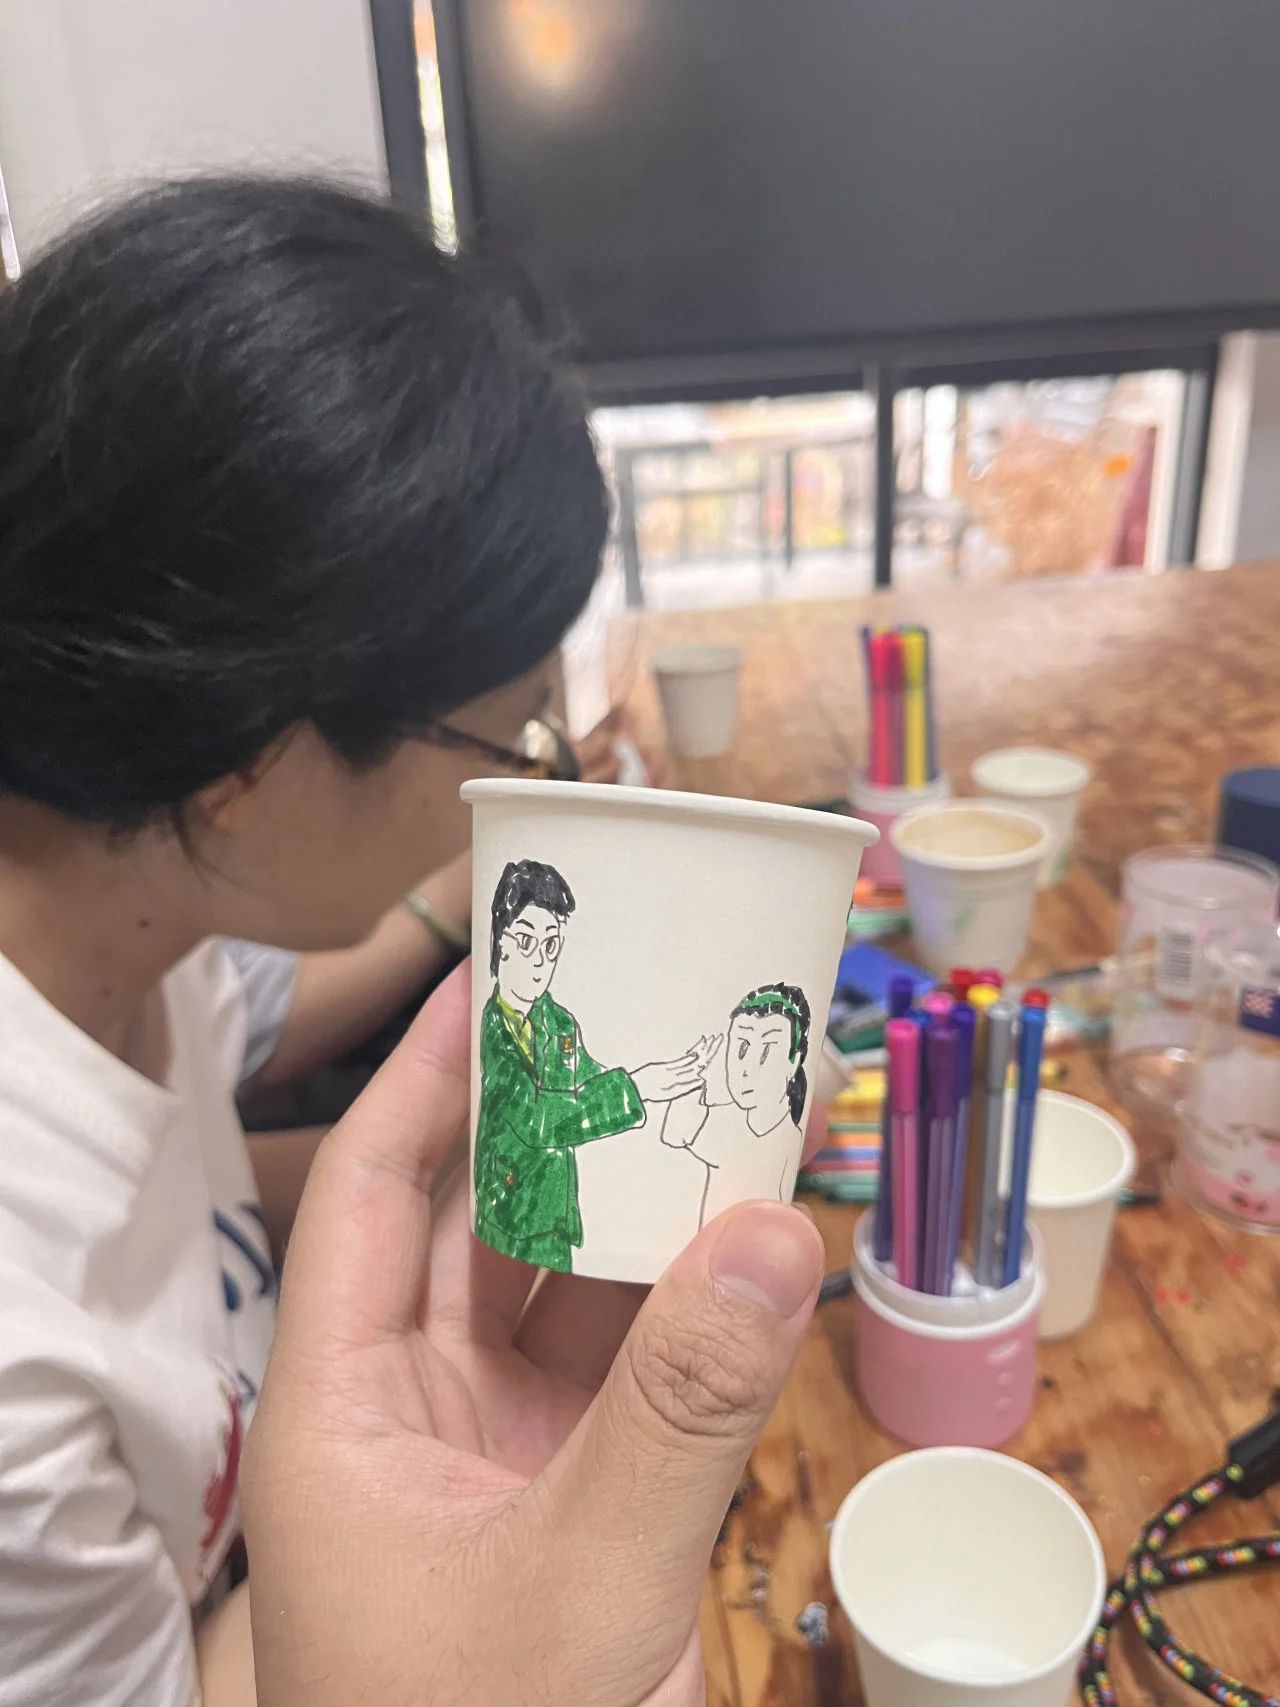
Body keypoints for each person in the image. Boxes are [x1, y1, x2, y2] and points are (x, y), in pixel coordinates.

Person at [0, 174, 825, 1707]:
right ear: (252, 758)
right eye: (510, 742)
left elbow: (203, 1137)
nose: (516, 787)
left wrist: (544, 1141)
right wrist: (466, 1556)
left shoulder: (125, 913)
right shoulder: (17, 1392)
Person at [475, 859, 706, 1270]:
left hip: (554, 1211)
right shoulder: (495, 1031)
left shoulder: (558, 1022)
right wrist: (633, 1089)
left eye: (550, 946)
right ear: (500, 941)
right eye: (525, 941)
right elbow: (539, 1121)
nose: (539, 961)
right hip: (505, 1209)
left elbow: (587, 1080)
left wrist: (664, 1083)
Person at [662, 983, 813, 1228]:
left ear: (793, 1060)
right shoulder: (727, 1122)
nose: (747, 1069)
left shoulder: (787, 1139)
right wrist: (694, 1070)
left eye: (767, 1051)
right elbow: (674, 1134)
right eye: (742, 1048)